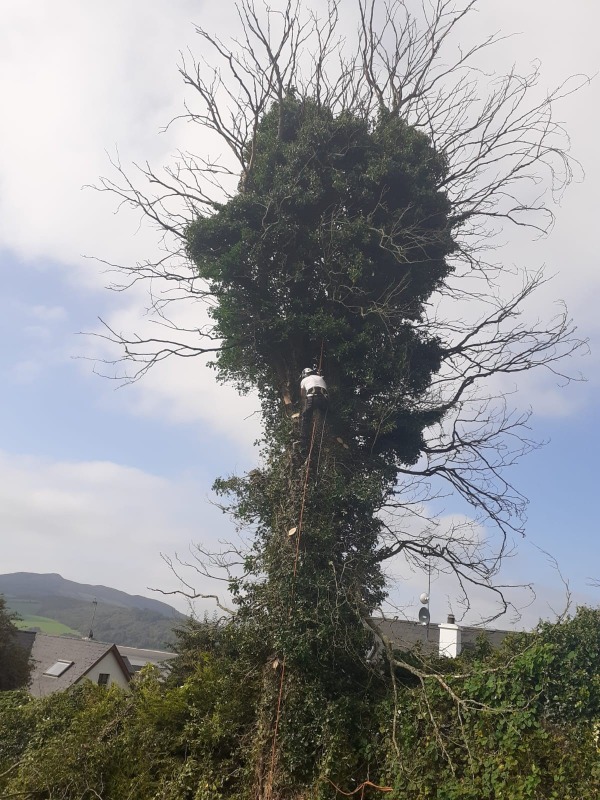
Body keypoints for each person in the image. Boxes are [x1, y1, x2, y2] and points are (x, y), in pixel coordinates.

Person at [299, 367, 328, 450]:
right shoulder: (320, 378)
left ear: (304, 375)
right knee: (324, 414)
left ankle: (303, 444)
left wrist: (306, 402)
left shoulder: (304, 380)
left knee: (306, 418)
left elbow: (302, 394)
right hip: (324, 399)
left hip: (312, 398)